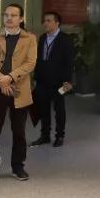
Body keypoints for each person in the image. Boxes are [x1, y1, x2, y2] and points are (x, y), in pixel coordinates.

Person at [0, 3, 37, 181]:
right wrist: (0, 79)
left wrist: (10, 77)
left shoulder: (30, 38)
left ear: (21, 18)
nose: (9, 18)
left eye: (13, 15)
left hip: (19, 89)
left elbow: (30, 63)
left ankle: (18, 166)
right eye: (6, 15)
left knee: (19, 131)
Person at [32, 11, 75, 148]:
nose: (45, 23)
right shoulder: (42, 38)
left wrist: (67, 81)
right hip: (42, 80)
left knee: (59, 110)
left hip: (58, 81)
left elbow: (69, 62)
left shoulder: (65, 39)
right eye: (45, 20)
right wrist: (35, 78)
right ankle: (45, 135)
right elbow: (39, 60)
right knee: (43, 109)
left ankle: (59, 136)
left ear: (57, 23)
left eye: (49, 20)